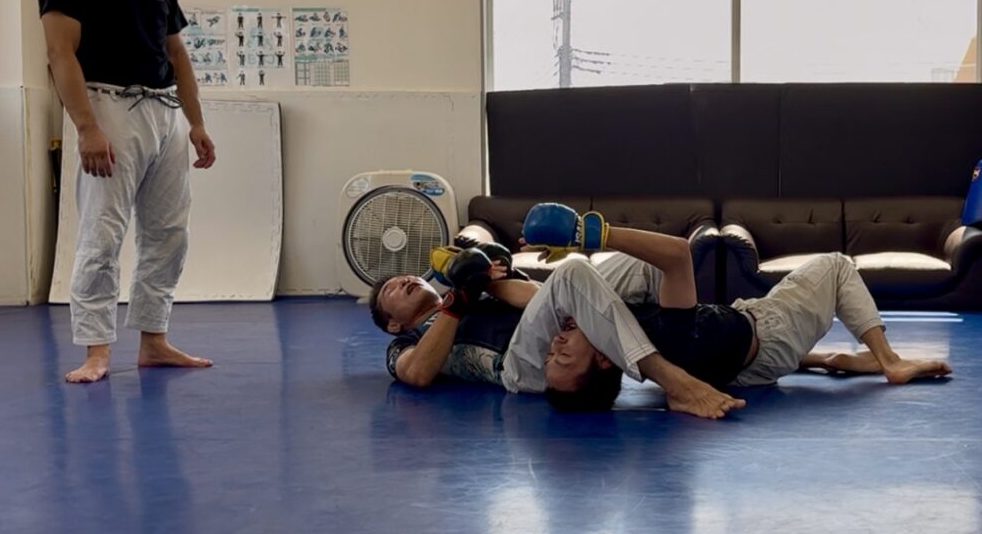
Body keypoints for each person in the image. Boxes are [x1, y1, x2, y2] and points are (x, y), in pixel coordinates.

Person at [38, 0, 216, 384]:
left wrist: (196, 123)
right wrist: (87, 127)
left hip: (164, 111)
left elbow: (177, 55)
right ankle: (96, 350)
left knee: (169, 234)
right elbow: (60, 53)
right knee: (103, 232)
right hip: (108, 106)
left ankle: (154, 341)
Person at [521, 203, 952, 411]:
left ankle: (828, 359)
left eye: (550, 353)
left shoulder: (634, 348)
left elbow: (535, 300)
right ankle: (891, 362)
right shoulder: (667, 340)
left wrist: (495, 276)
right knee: (837, 267)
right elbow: (677, 254)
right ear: (602, 358)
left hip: (740, 362)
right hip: (771, 332)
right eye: (563, 355)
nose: (554, 342)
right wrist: (588, 235)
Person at [370, 241, 748, 419]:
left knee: (639, 262)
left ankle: (698, 356)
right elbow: (418, 373)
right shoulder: (407, 341)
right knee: (572, 272)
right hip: (519, 365)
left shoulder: (472, 293)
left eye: (407, 277)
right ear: (392, 322)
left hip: (553, 332)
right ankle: (674, 381)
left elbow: (538, 297)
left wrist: (485, 280)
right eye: (392, 289)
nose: (404, 281)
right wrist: (457, 302)